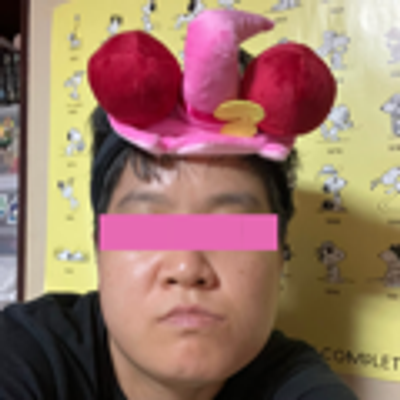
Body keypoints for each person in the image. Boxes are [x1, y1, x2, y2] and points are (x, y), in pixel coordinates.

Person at [0, 9, 358, 400]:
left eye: (231, 229)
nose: (187, 268)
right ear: (99, 249)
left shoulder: (297, 382)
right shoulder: (25, 353)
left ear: (280, 258)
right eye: (147, 228)